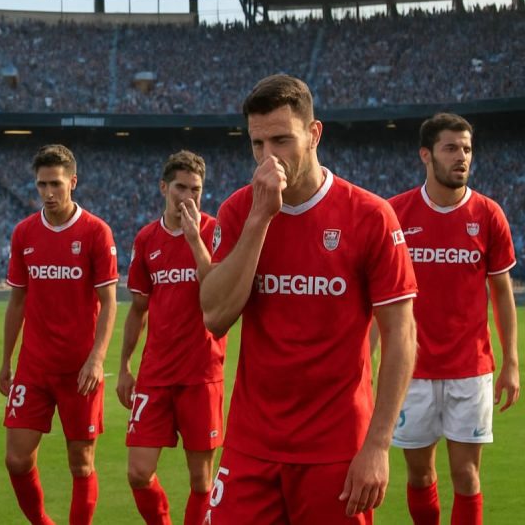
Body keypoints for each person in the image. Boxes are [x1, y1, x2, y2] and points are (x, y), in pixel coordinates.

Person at [200, 74, 417, 524]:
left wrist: (377, 446)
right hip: (251, 444)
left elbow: (401, 336)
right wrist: (261, 217)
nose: (268, 157)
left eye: (281, 140)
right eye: (257, 144)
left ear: (314, 134)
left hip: (336, 448)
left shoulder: (370, 216)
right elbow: (216, 316)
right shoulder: (241, 209)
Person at [388, 113, 519, 525]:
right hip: (412, 372)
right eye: (450, 148)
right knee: (420, 473)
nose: (461, 157)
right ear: (426, 154)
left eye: (466, 149)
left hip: (471, 370)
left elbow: (501, 291)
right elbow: (380, 298)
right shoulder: (395, 214)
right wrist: (365, 360)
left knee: (466, 475)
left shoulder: (489, 214)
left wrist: (511, 361)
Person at [0, 144, 119, 525]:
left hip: (80, 371)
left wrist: (97, 359)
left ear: (73, 182)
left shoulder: (96, 232)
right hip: (34, 367)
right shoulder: (25, 233)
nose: (48, 193)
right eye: (41, 185)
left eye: (56, 184)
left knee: (81, 465)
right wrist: (6, 360)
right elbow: (17, 301)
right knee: (16, 459)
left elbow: (110, 302)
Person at [117, 150, 225, 525]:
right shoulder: (147, 238)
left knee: (201, 481)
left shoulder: (215, 231)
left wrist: (195, 240)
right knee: (138, 472)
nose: (188, 197)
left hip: (201, 373)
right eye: (181, 187)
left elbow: (221, 291)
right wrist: (124, 367)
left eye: (195, 189)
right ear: (164, 187)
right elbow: (138, 308)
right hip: (156, 374)